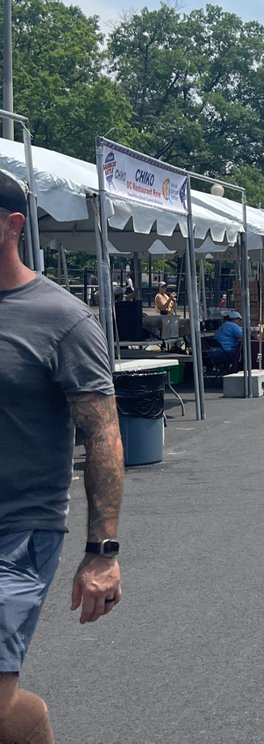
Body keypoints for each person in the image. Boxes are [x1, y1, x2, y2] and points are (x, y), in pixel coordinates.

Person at [0, 171, 125, 744]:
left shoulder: (63, 319)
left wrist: (102, 552)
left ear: (13, 225)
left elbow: (101, 435)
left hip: (19, 530)